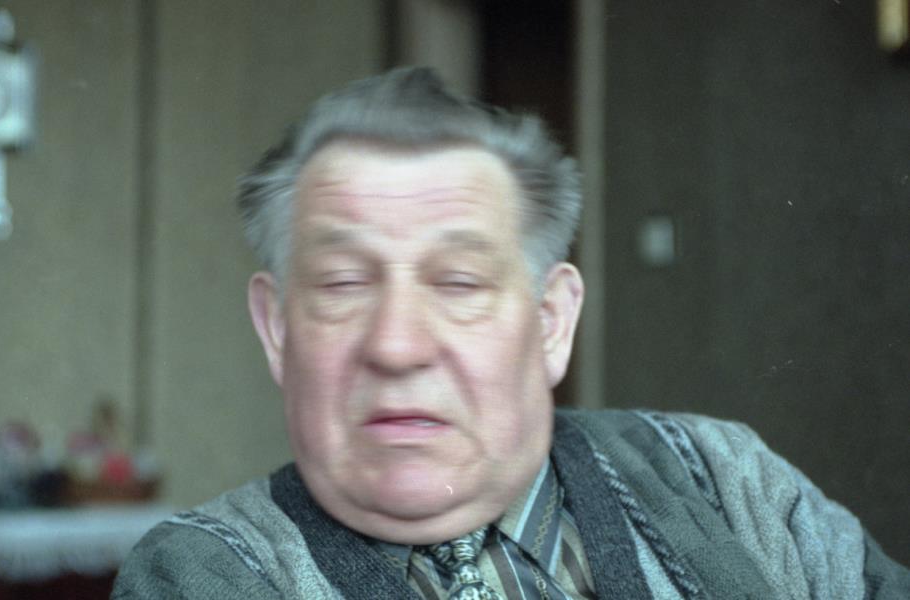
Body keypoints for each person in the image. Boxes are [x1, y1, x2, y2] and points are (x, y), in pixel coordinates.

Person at [112, 67, 909, 599]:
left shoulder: (724, 480)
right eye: (344, 284)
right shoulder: (198, 575)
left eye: (459, 282)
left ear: (551, 321)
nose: (397, 346)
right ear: (277, 328)